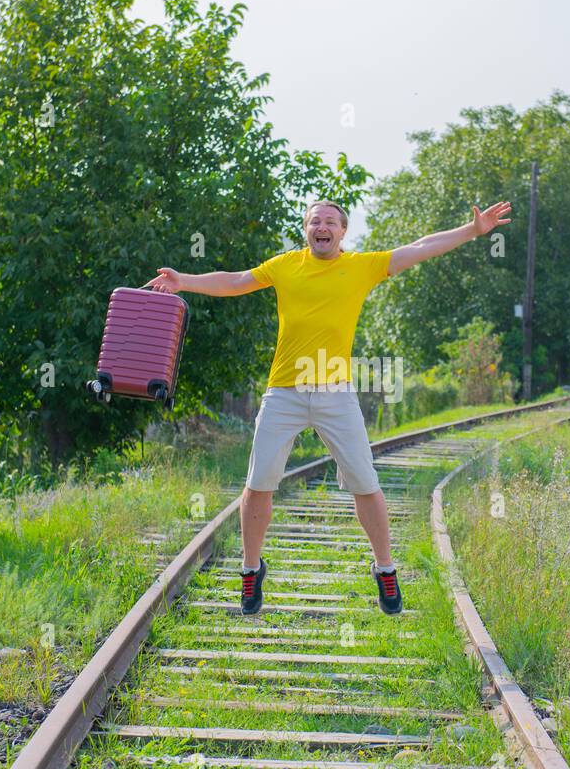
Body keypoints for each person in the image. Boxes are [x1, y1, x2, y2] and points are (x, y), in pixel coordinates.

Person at [145, 198, 512, 615]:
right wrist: (184, 280)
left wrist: (472, 230)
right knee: (259, 482)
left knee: (364, 481)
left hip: (336, 395)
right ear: (306, 229)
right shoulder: (285, 265)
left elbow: (421, 246)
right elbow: (236, 280)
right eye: (315, 220)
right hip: (283, 392)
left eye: (331, 222)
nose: (322, 226)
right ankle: (251, 570)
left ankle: (385, 568)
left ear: (342, 232)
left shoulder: (362, 266)